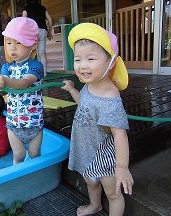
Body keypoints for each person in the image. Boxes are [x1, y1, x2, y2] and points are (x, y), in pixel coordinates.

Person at [61, 23, 134, 216]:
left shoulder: (109, 98)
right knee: (90, 181)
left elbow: (120, 135)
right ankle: (95, 206)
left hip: (103, 153)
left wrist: (122, 168)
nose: (83, 65)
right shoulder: (90, 84)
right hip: (87, 146)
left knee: (112, 192)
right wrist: (72, 90)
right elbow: (84, 103)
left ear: (110, 62)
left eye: (91, 58)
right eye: (78, 59)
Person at [0, 17, 44, 164]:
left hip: (34, 122)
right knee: (18, 155)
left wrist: (5, 81)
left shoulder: (36, 66)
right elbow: (3, 86)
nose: (12, 47)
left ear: (32, 45)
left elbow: (24, 83)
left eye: (18, 42)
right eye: (9, 42)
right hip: (13, 123)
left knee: (34, 154)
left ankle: (37, 179)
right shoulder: (7, 67)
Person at [22, 0, 53, 76]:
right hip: (42, 30)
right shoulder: (42, 8)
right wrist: (49, 32)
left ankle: (30, 73)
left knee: (30, 52)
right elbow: (50, 19)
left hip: (32, 31)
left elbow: (23, 20)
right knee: (41, 53)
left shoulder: (27, 8)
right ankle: (44, 73)